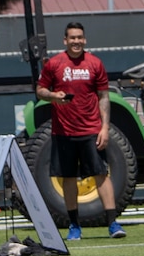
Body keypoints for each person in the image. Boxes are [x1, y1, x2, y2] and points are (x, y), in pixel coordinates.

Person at [38, 23, 122, 238]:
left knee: (101, 174)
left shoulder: (95, 63)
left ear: (84, 40)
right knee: (67, 178)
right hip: (63, 132)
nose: (76, 41)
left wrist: (104, 128)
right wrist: (53, 96)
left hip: (91, 130)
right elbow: (40, 91)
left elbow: (104, 97)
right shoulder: (54, 64)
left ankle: (113, 224)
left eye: (79, 38)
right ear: (65, 40)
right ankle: (74, 226)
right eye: (72, 38)